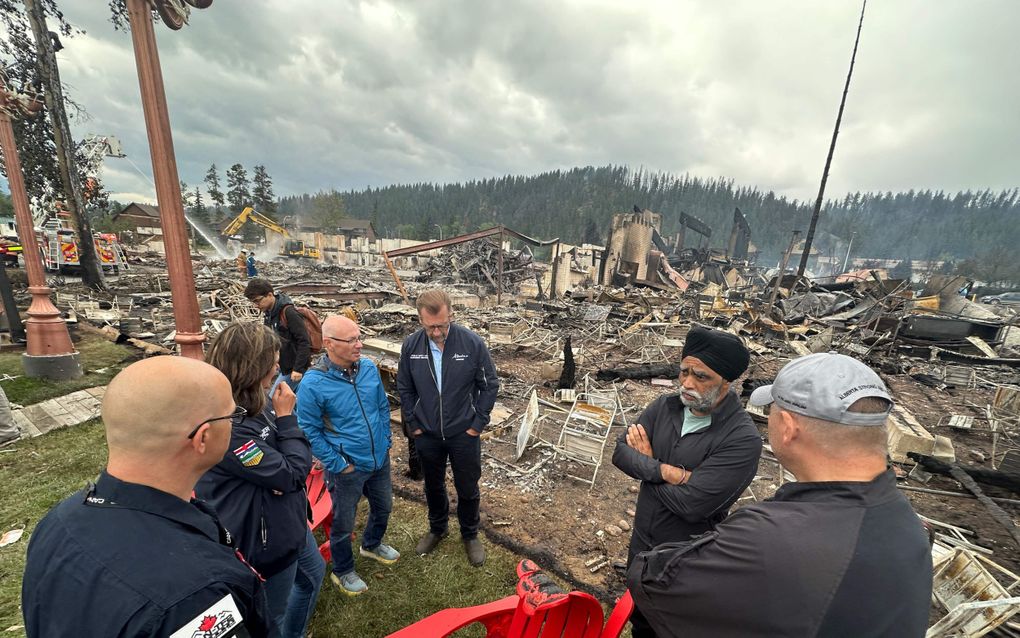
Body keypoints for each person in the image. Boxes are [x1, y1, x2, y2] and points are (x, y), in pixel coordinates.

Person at [627, 352, 933, 637]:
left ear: (787, 427)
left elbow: (651, 579)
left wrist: (651, 468)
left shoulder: (765, 537)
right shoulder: (912, 529)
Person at [22, 357, 272, 638]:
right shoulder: (198, 596)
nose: (234, 423)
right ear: (203, 438)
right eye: (232, 416)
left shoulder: (59, 520)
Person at [612, 326, 762, 638]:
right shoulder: (665, 407)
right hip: (641, 548)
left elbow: (692, 504)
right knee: (640, 623)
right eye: (684, 372)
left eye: (701, 377)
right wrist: (668, 472)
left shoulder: (741, 438)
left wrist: (647, 465)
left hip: (687, 560)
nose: (688, 384)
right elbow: (620, 452)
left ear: (726, 381)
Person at [196, 322, 324, 638]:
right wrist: (287, 419)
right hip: (263, 542)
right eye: (272, 361)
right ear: (251, 368)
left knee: (312, 575)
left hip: (289, 523)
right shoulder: (227, 425)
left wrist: (285, 462)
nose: (278, 367)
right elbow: (293, 472)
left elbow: (289, 466)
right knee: (271, 618)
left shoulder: (258, 401)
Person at [297, 314, 399, 596]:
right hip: (347, 468)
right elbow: (309, 430)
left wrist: (386, 440)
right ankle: (343, 571)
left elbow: (381, 406)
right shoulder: (313, 384)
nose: (359, 344)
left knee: (384, 507)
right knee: (343, 523)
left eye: (359, 337)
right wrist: (338, 464)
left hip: (379, 459)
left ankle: (372, 545)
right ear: (329, 344)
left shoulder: (367, 368)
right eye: (351, 339)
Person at [396, 288, 499, 567]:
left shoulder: (471, 343)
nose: (437, 332)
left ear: (451, 314)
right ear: (420, 320)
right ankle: (437, 528)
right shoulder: (411, 346)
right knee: (433, 485)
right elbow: (404, 387)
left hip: (463, 433)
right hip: (427, 434)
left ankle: (470, 533)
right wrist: (414, 423)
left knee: (467, 486)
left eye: (442, 324)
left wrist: (477, 423)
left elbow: (489, 385)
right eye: (430, 327)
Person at [245, 278, 312, 388]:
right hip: (282, 366)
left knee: (273, 399)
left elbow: (304, 341)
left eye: (257, 301)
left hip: (293, 369)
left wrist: (298, 369)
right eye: (253, 302)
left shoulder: (289, 313)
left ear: (270, 295)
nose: (256, 305)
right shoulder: (269, 313)